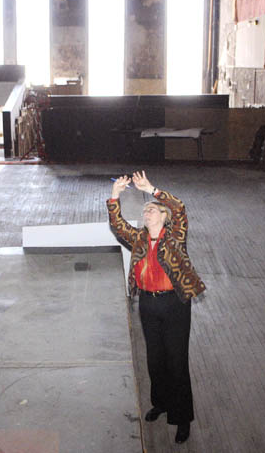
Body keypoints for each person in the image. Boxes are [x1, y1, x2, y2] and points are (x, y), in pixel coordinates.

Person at [107, 171, 206, 444]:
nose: (147, 212)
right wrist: (115, 195)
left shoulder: (175, 237)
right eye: (145, 210)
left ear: (164, 216)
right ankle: (160, 403)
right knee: (154, 360)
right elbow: (117, 225)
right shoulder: (139, 238)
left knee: (176, 362)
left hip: (174, 304)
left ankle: (181, 417)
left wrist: (151, 190)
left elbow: (180, 207)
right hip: (148, 304)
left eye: (152, 209)